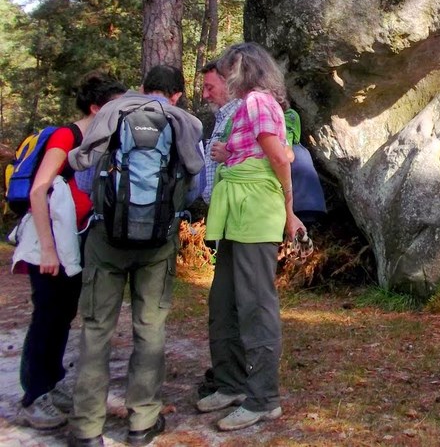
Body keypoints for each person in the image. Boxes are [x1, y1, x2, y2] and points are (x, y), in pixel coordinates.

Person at [66, 65, 204, 447]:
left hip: (105, 238)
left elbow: (82, 175)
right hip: (158, 242)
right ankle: (142, 422)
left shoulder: (112, 112)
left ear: (143, 87)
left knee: (96, 329)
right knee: (150, 329)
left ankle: (86, 428)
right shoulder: (185, 122)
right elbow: (197, 187)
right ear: (176, 94)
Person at [12, 72, 126, 432]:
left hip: (74, 238)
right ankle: (34, 395)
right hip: (51, 241)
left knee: (62, 314)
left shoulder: (97, 142)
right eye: (115, 106)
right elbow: (38, 190)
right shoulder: (67, 136)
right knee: (46, 315)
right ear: (96, 107)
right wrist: (48, 250)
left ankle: (53, 380)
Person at [198, 42, 303, 432]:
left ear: (244, 68)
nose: (224, 79)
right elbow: (256, 152)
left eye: (229, 71)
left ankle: (263, 398)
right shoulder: (245, 109)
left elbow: (279, 157)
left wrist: (289, 212)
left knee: (255, 304)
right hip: (235, 209)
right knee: (223, 301)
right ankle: (231, 384)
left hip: (256, 209)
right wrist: (227, 154)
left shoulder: (258, 101)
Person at [197, 59, 242, 205]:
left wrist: (230, 157)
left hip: (236, 208)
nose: (205, 95)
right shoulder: (222, 116)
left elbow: (268, 159)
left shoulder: (242, 114)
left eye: (210, 88)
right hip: (221, 209)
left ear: (229, 84)